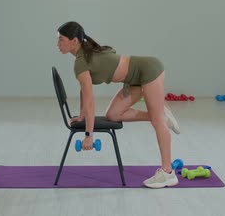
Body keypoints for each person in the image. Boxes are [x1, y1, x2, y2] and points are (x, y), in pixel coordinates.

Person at [56, 21, 181, 188]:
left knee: (157, 123)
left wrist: (88, 135)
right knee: (113, 115)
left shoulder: (81, 61)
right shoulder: (83, 56)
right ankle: (160, 114)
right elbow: (84, 92)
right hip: (133, 80)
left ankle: (168, 172)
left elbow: (90, 101)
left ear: (74, 41)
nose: (58, 44)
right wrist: (82, 115)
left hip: (148, 70)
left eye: (61, 40)